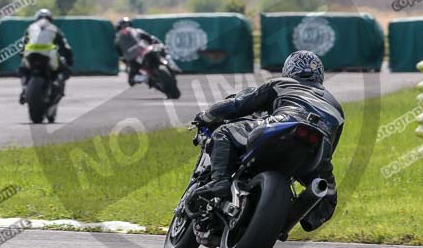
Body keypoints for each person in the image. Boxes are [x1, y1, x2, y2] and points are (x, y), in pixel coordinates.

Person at [193, 50, 344, 231]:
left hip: (284, 124)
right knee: (328, 194)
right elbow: (331, 149)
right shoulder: (336, 106)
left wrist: (207, 115)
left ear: (289, 70)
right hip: (317, 148)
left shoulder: (281, 83)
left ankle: (220, 181)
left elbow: (238, 105)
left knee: (224, 132)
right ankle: (290, 218)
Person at [18, 9, 74, 104]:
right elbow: (65, 47)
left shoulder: (30, 28)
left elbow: (22, 46)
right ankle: (57, 83)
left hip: (31, 54)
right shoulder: (54, 28)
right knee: (64, 70)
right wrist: (69, 59)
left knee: (23, 69)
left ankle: (24, 88)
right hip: (48, 55)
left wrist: (22, 54)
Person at [113, 16, 162, 86]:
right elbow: (151, 39)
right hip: (140, 54)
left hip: (139, 55)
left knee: (131, 79)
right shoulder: (135, 31)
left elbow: (120, 55)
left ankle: (147, 78)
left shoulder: (118, 39)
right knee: (131, 79)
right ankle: (147, 78)